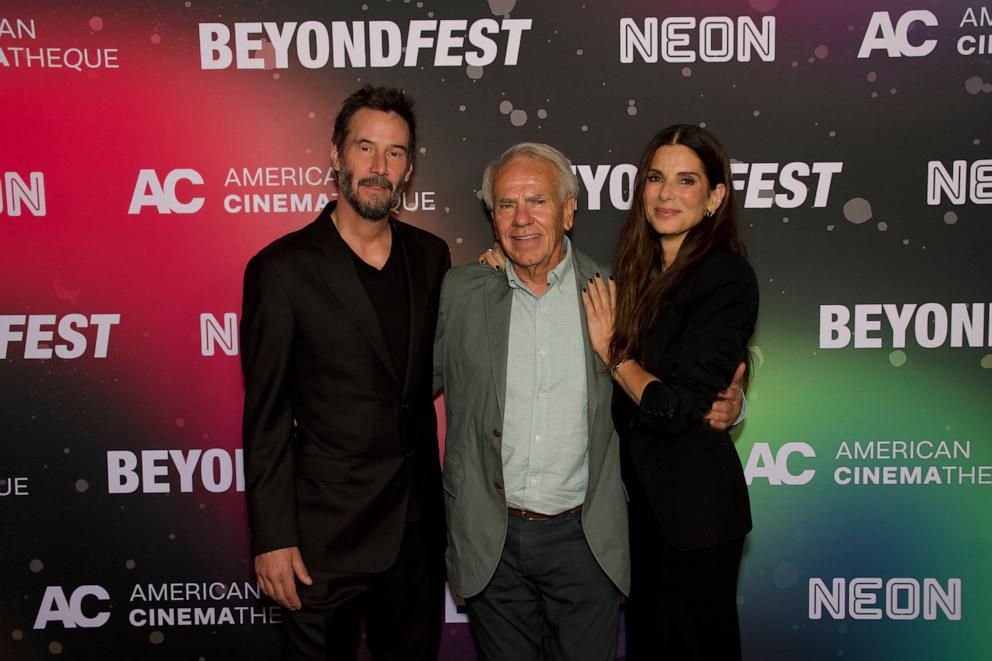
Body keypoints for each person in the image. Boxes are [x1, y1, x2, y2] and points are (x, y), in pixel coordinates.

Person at [435, 142, 744, 661]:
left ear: (569, 209)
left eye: (537, 201)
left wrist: (730, 405)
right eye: (506, 205)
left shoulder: (617, 296)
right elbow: (410, 385)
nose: (521, 219)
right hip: (490, 540)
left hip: (584, 543)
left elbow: (674, 387)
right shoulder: (462, 291)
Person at [240, 85, 449, 660]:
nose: (379, 167)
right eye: (365, 147)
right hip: (320, 543)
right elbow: (265, 419)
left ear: (409, 168)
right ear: (335, 156)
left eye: (396, 153)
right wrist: (274, 538)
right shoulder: (281, 271)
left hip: (414, 534)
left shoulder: (433, 258)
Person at [582, 124, 758, 659]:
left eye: (686, 180)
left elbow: (672, 407)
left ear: (715, 198)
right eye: (656, 177)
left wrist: (615, 355)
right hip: (641, 516)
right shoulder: (636, 274)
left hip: (696, 520)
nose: (665, 193)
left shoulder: (725, 276)